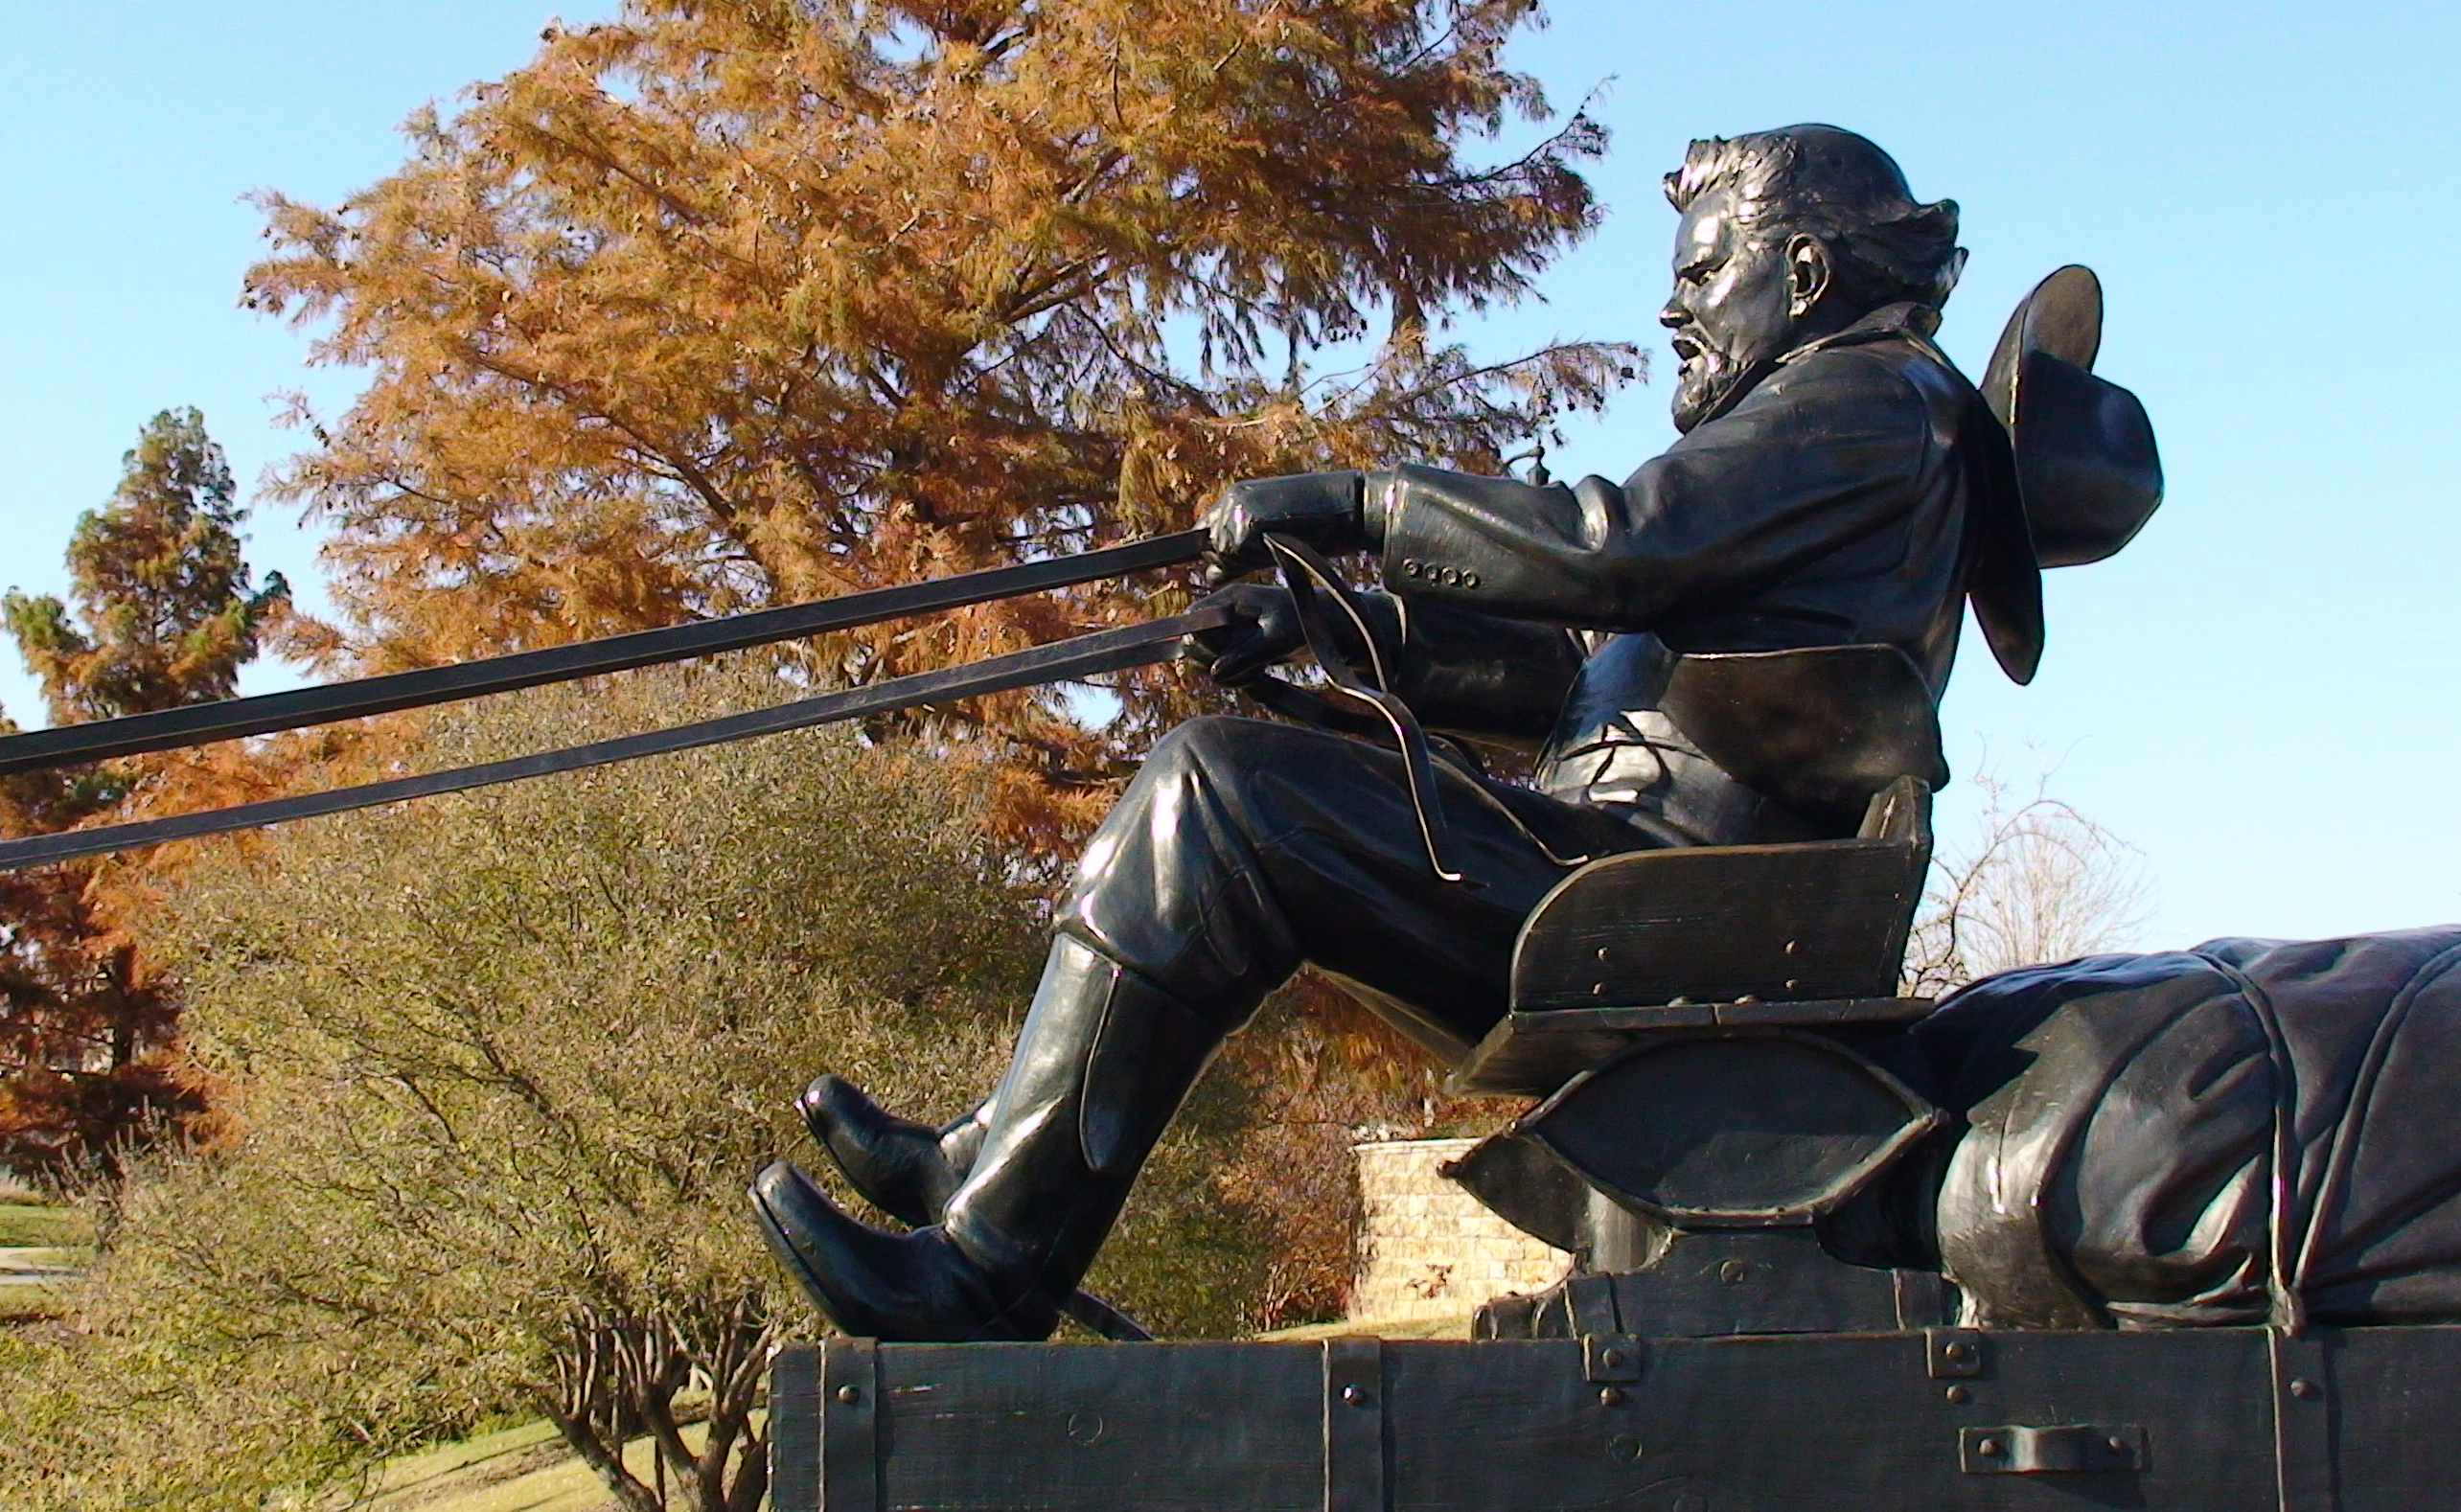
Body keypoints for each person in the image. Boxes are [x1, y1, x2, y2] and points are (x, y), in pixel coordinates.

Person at [750, 124, 2040, 1341]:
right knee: (1217, 786)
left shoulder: (1865, 396)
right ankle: (993, 1163)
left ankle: (988, 1267)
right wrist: (1320, 627)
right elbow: (1571, 677)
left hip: (1661, 894)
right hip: (1626, 872)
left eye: (1703, 272)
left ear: (1804, 272)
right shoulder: (1838, 421)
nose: (1672, 311)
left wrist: (1362, 503)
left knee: (1216, 796)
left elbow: (1612, 546)